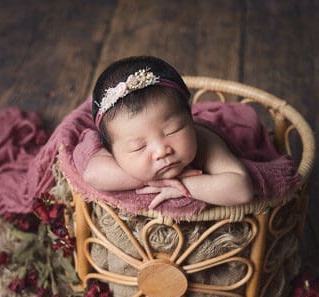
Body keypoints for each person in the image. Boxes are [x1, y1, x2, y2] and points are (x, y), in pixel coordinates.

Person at [83, 55, 254, 210]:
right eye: (139, 147)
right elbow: (92, 175)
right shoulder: (116, 144)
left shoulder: (204, 140)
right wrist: (149, 180)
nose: (161, 151)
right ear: (113, 152)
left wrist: (184, 184)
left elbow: (242, 190)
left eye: (173, 131)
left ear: (190, 118)